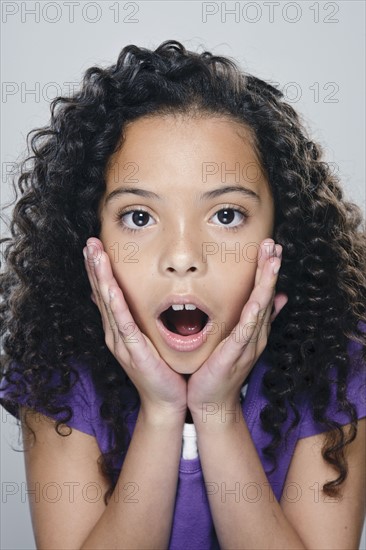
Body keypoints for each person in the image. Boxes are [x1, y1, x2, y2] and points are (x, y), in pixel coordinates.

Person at [0, 39, 365, 550]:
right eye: (139, 217)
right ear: (90, 239)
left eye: (226, 215)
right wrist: (161, 413)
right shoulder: (58, 365)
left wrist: (218, 413)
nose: (182, 256)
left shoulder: (334, 363)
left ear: (281, 235)